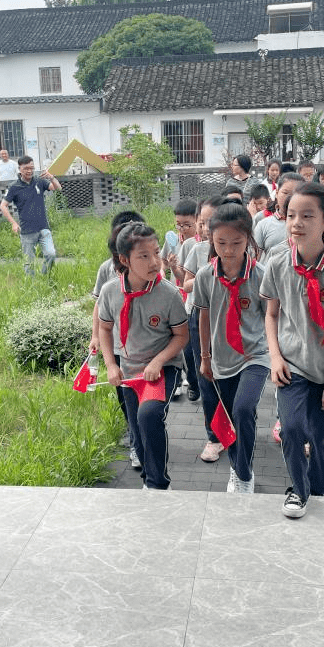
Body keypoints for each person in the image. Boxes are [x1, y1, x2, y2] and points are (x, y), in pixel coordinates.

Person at [261, 183, 324, 518]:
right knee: (291, 429)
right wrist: (275, 357)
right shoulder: (277, 264)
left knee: (320, 438)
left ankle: (318, 485)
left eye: (307, 216)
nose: (297, 223)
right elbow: (271, 314)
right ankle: (299, 491)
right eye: (291, 215)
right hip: (291, 367)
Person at [97, 222, 189, 490]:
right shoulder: (110, 291)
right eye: (144, 256)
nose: (154, 262)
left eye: (156, 253)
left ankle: (158, 484)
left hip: (163, 369)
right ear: (124, 260)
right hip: (129, 370)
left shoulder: (169, 294)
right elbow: (105, 328)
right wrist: (111, 365)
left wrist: (159, 361)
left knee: (149, 416)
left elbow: (182, 336)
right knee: (137, 431)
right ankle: (149, 473)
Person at [192, 203, 269, 493]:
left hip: (255, 355)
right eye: (221, 242)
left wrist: (278, 356)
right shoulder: (204, 276)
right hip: (222, 359)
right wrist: (204, 357)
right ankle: (237, 467)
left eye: (236, 243)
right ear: (211, 239)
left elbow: (270, 317)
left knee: (243, 408)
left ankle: (244, 474)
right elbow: (204, 317)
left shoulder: (261, 274)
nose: (228, 249)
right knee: (233, 418)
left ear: (248, 239)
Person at [90, 210, 146, 470]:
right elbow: (99, 305)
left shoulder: (148, 264)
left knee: (146, 397)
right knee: (125, 395)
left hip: (146, 344)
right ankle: (135, 437)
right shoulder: (106, 269)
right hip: (118, 344)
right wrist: (95, 336)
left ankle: (143, 433)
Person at [183, 196, 227, 462]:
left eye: (214, 222)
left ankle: (234, 429)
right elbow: (186, 283)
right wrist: (204, 281)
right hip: (200, 315)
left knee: (232, 380)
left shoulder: (240, 248)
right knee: (206, 376)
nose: (208, 228)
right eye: (205, 222)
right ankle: (214, 437)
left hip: (231, 316)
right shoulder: (197, 250)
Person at [0, 156, 61, 276]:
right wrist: (13, 223)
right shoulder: (14, 187)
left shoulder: (39, 181)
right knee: (29, 263)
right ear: (19, 169)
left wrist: (52, 178)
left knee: (51, 254)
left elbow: (58, 189)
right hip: (27, 230)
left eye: (31, 168)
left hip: (43, 227)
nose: (29, 171)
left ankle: (44, 276)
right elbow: (3, 206)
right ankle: (31, 287)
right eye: (26, 168)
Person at [162, 199, 199, 398]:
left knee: (190, 343)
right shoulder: (172, 239)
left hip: (191, 297)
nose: (182, 228)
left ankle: (193, 379)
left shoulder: (199, 244)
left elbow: (185, 278)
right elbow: (163, 264)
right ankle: (180, 380)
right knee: (177, 340)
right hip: (175, 297)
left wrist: (176, 269)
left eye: (187, 224)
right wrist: (166, 267)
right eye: (179, 224)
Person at [253, 172, 304, 263]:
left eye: (296, 193)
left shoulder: (309, 224)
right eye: (285, 193)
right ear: (277, 193)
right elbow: (255, 259)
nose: (290, 197)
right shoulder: (263, 223)